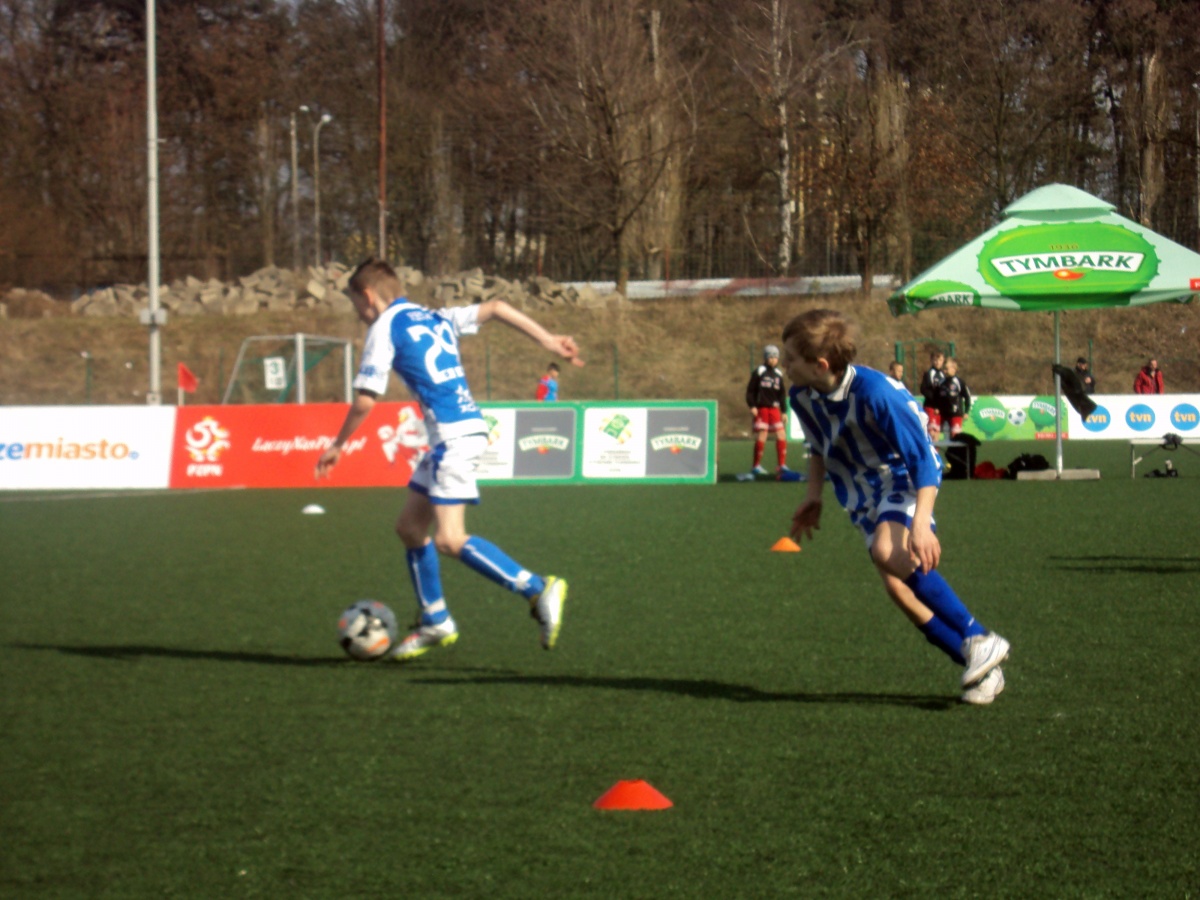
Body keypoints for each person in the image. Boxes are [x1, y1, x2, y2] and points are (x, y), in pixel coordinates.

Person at [315, 259, 584, 660]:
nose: (357, 313)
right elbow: (496, 307)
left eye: (356, 304)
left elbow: (365, 401)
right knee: (410, 527)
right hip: (459, 431)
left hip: (453, 438)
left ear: (367, 296)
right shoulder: (436, 316)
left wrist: (338, 444)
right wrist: (548, 340)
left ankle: (538, 588)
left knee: (449, 538)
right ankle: (436, 620)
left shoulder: (384, 327)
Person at [781, 309, 1010, 704]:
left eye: (790, 359)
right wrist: (813, 496)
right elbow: (818, 446)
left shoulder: (876, 393)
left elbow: (923, 459)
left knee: (888, 551)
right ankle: (983, 667)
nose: (784, 366)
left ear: (820, 365)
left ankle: (978, 636)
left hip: (901, 477)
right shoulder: (801, 395)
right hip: (861, 494)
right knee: (899, 589)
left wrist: (920, 523)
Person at [746, 344, 794, 478]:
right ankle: (756, 466)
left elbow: (781, 394)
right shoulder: (759, 371)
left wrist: (784, 411)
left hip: (774, 409)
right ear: (765, 358)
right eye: (770, 357)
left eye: (775, 357)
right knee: (762, 434)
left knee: (781, 434)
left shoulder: (778, 373)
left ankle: (781, 465)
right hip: (762, 408)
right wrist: (752, 405)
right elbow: (750, 391)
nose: (773, 360)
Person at [935, 358, 972, 437]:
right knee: (937, 435)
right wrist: (937, 407)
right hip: (943, 414)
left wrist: (966, 411)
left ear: (954, 369)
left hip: (956, 414)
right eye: (944, 369)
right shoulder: (941, 382)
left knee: (955, 436)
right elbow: (937, 397)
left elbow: (967, 396)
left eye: (946, 369)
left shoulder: (959, 382)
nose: (944, 371)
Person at [918, 350, 945, 441]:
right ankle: (930, 448)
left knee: (937, 433)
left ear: (943, 361)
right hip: (930, 406)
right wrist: (935, 402)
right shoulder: (929, 373)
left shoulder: (943, 375)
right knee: (931, 432)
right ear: (932, 361)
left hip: (940, 409)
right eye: (935, 360)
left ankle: (935, 450)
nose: (938, 362)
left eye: (940, 360)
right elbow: (923, 389)